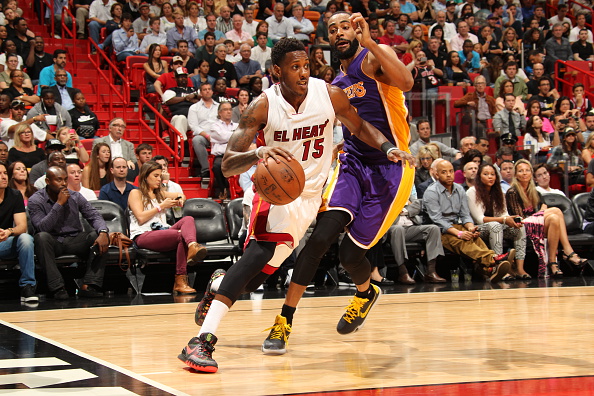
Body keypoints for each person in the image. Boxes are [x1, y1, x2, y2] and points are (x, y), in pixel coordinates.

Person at [179, 35, 413, 372]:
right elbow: (228, 163)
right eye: (295, 68)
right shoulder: (262, 105)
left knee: (254, 279)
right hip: (274, 195)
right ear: (277, 71)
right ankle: (201, 343)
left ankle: (218, 284)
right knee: (258, 252)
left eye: (306, 66)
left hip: (308, 198)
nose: (303, 73)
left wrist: (387, 147)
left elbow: (360, 127)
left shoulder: (329, 94)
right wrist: (257, 152)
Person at [29, 166, 110, 299]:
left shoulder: (75, 196)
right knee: (41, 238)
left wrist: (102, 232)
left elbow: (94, 215)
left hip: (75, 239)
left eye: (65, 179)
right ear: (48, 181)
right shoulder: (36, 200)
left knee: (99, 236)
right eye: (58, 180)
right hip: (53, 241)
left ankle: (90, 285)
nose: (63, 183)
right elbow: (42, 227)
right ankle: (58, 288)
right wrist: (59, 204)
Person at [425, 160, 512, 280]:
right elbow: (438, 220)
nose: (449, 175)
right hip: (438, 231)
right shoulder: (431, 192)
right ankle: (493, 259)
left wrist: (471, 228)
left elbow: (465, 215)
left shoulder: (459, 189)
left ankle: (490, 268)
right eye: (444, 172)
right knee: (460, 242)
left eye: (451, 171)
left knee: (475, 238)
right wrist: (459, 233)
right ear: (437, 174)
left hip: (458, 225)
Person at [128, 161, 207, 294]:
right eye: (156, 176)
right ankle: (180, 280)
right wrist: (161, 206)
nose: (159, 179)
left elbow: (181, 195)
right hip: (143, 234)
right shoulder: (136, 193)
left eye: (160, 176)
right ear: (145, 176)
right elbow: (141, 218)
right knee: (180, 235)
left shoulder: (160, 194)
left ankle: (192, 245)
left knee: (188, 219)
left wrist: (180, 198)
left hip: (163, 231)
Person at [506, 159, 588, 278]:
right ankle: (567, 252)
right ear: (516, 174)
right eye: (520, 171)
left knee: (554, 218)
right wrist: (540, 213)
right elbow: (519, 219)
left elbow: (542, 210)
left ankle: (553, 262)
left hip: (537, 225)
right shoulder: (512, 192)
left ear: (531, 173)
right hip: (522, 227)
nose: (524, 173)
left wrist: (540, 213)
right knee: (556, 211)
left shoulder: (535, 192)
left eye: (527, 170)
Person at [467, 163, 528, 279]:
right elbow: (479, 219)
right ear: (479, 177)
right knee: (495, 226)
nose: (490, 177)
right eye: (486, 174)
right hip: (477, 229)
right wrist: (504, 220)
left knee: (520, 227)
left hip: (497, 227)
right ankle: (499, 267)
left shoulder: (499, 191)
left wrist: (512, 220)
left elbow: (504, 214)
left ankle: (520, 268)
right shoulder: (472, 192)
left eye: (492, 174)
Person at [0, 161, 38, 303]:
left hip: (4, 242)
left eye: (5, 173)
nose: (3, 177)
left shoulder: (14, 195)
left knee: (26, 239)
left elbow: (22, 226)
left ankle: (27, 286)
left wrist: (8, 232)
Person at [189, 82, 219, 179]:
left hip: (219, 135)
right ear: (201, 93)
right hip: (204, 136)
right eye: (205, 90)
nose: (207, 91)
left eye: (209, 89)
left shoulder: (220, 107)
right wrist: (207, 136)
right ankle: (206, 169)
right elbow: (194, 126)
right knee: (196, 140)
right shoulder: (194, 108)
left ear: (212, 91)